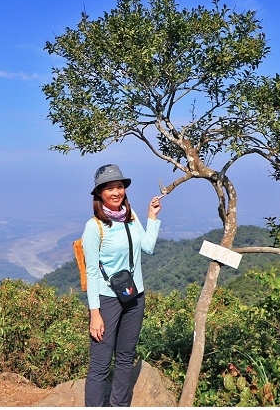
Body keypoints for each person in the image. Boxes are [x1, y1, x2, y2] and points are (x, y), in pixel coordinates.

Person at [82, 163, 163, 407]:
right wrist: (94, 313)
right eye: (109, 188)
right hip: (107, 299)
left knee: (126, 357)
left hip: (135, 296)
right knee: (100, 363)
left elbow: (147, 247)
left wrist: (152, 216)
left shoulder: (131, 216)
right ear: (99, 193)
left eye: (119, 187)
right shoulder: (94, 226)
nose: (116, 192)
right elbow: (92, 271)